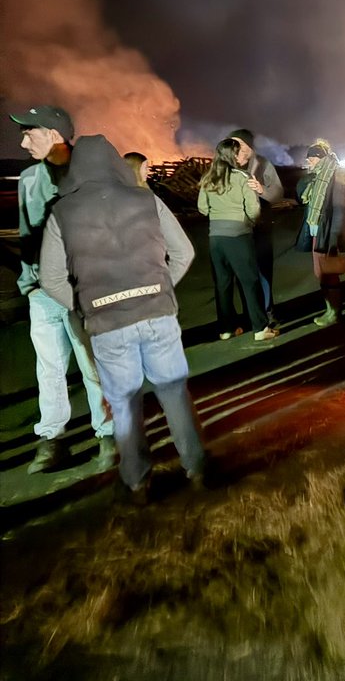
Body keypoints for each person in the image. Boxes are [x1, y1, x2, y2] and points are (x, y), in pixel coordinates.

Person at [38, 135, 207, 503]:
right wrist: (160, 289)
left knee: (125, 405)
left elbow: (50, 278)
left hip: (108, 326)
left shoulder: (62, 212)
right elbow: (184, 252)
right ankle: (197, 470)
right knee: (174, 393)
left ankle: (137, 483)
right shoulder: (146, 199)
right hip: (157, 314)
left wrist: (86, 306)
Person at [10, 105, 115, 475]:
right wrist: (28, 283)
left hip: (80, 289)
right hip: (42, 293)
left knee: (92, 364)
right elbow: (26, 234)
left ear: (54, 134)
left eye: (29, 133)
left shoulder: (90, 175)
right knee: (49, 368)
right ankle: (51, 438)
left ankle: (108, 435)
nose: (23, 143)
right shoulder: (28, 179)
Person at [197, 139, 277, 342]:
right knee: (250, 281)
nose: (243, 155)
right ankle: (260, 328)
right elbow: (253, 209)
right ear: (232, 155)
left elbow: (202, 208)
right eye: (239, 152)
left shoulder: (208, 178)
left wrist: (218, 214)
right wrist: (248, 222)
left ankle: (226, 329)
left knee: (222, 284)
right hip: (239, 236)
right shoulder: (242, 177)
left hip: (216, 238)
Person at [226, 128, 284, 327]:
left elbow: (277, 194)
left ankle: (267, 312)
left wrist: (262, 190)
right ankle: (250, 314)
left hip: (260, 227)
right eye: (233, 143)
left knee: (263, 271)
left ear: (249, 145)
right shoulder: (227, 166)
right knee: (243, 273)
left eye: (240, 143)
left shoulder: (263, 164)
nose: (236, 148)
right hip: (237, 228)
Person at [295, 140, 345, 327]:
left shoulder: (335, 175)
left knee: (328, 273)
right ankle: (330, 309)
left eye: (311, 158)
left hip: (328, 233)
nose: (308, 162)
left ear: (319, 157)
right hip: (318, 230)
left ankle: (334, 313)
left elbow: (339, 209)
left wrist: (334, 239)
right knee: (321, 272)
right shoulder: (318, 175)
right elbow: (302, 197)